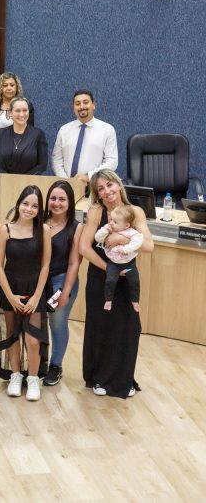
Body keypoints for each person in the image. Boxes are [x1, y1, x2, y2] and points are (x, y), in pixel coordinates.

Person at [80, 169, 153, 398]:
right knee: (101, 327)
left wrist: (122, 238)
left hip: (128, 278)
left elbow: (149, 246)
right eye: (100, 189)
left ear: (119, 185)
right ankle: (99, 378)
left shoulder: (136, 212)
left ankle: (124, 379)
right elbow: (84, 247)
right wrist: (110, 269)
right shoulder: (95, 212)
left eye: (109, 185)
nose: (106, 191)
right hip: (101, 276)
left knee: (129, 328)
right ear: (97, 194)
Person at [0, 185, 51, 401]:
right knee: (12, 335)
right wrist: (9, 295)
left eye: (35, 205)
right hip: (11, 288)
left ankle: (33, 378)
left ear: (39, 209)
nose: (29, 208)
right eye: (26, 203)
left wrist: (36, 296)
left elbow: (45, 266)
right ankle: (15, 375)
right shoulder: (6, 229)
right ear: (18, 204)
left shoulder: (43, 230)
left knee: (33, 339)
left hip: (34, 288)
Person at [42, 180, 83, 386]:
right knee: (35, 323)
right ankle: (38, 363)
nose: (56, 203)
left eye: (62, 199)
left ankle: (55, 365)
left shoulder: (76, 227)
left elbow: (75, 262)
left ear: (70, 202)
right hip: (38, 280)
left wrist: (65, 291)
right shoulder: (38, 221)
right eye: (53, 198)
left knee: (57, 323)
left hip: (61, 280)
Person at [51, 90, 118, 184]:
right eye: (77, 103)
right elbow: (56, 160)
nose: (82, 106)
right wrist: (66, 181)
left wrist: (88, 176)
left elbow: (112, 162)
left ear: (93, 105)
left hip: (95, 186)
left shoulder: (107, 130)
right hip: (67, 187)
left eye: (86, 102)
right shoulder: (64, 130)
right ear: (73, 108)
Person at [0, 72, 34, 178]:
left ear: (17, 87)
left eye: (12, 85)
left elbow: (29, 133)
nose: (9, 88)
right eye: (5, 85)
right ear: (0, 88)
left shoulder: (26, 107)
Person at [94, 205, 144, 312]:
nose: (111, 223)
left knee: (134, 281)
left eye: (115, 222)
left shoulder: (131, 232)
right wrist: (104, 230)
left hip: (129, 264)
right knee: (110, 281)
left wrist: (126, 249)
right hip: (114, 264)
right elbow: (97, 238)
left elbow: (138, 241)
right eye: (111, 220)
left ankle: (135, 301)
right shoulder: (109, 229)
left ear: (126, 225)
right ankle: (108, 300)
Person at [0, 97, 48, 178]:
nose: (21, 114)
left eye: (25, 110)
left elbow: (42, 165)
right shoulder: (0, 134)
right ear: (10, 113)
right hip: (3, 183)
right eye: (17, 111)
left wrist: (22, 179)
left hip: (30, 185)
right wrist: (7, 177)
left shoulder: (38, 134)